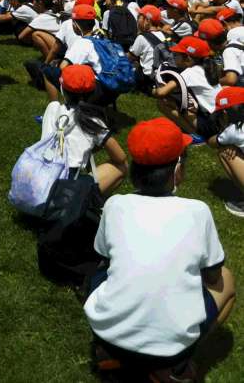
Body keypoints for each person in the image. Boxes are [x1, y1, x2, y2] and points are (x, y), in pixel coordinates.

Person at [84, 118, 235, 380]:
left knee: (103, 271)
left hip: (107, 335)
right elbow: (213, 276)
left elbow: (102, 258)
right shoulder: (198, 211)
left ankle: (114, 356)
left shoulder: (115, 205)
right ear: (177, 170)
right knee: (227, 280)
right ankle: (175, 366)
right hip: (169, 351)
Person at [41, 64, 127, 194]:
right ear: (93, 92)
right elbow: (120, 157)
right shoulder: (93, 121)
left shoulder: (52, 108)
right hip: (67, 187)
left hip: (41, 177)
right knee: (122, 166)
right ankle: (90, 202)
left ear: (62, 89)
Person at [153, 36, 221, 143]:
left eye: (176, 55)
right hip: (220, 119)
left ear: (188, 59)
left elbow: (161, 92)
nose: (174, 57)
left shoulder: (189, 73)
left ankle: (195, 136)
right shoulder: (208, 68)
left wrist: (153, 90)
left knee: (163, 102)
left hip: (210, 124)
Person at [207, 87, 244, 217]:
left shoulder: (233, 131)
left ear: (225, 114)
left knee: (224, 151)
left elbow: (212, 142)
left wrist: (229, 142)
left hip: (226, 139)